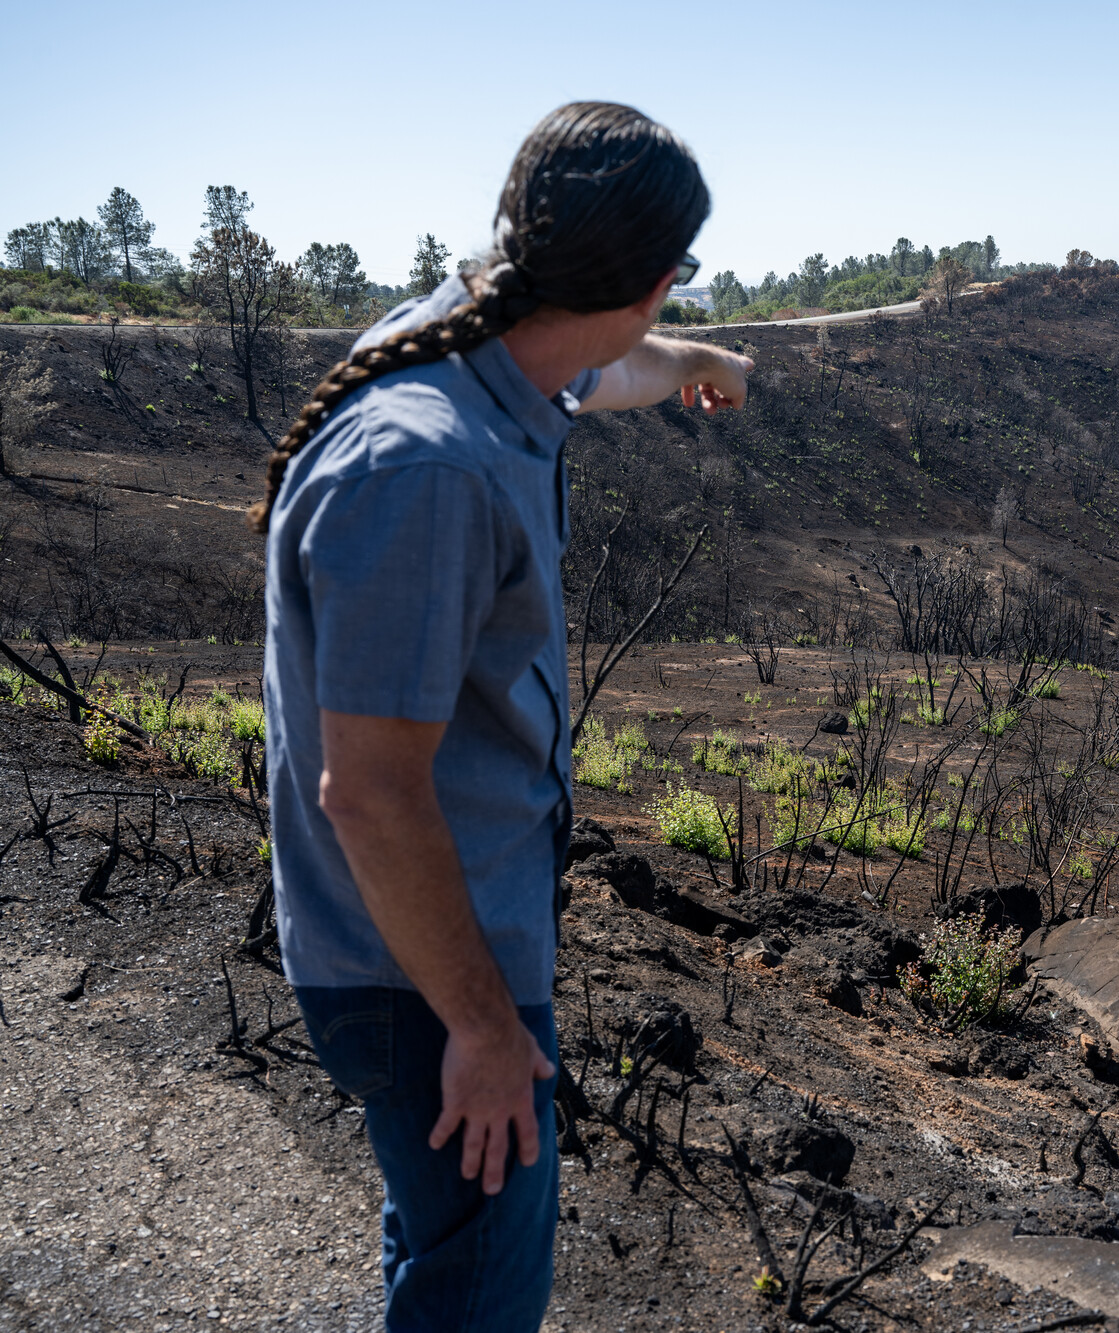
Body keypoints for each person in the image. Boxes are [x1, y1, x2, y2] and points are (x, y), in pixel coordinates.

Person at [255, 102, 752, 1331]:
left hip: (432, 941)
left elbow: (600, 366)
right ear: (647, 276)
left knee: (442, 1250)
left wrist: (693, 361)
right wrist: (478, 1028)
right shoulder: (424, 468)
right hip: (421, 971)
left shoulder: (469, 340)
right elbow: (368, 792)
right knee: (479, 1294)